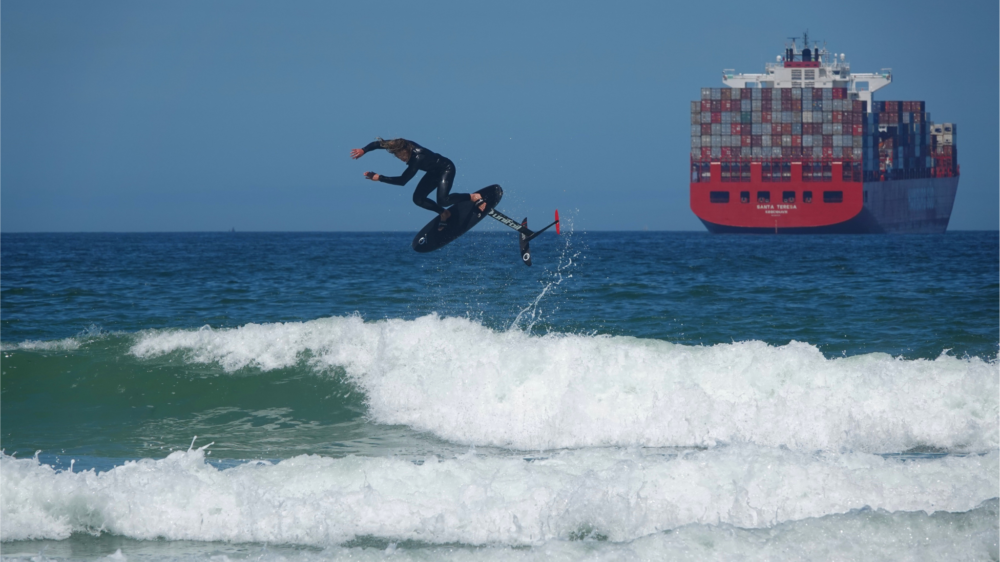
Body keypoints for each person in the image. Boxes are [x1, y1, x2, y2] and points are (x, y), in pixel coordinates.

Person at [350, 138, 485, 230]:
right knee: (418, 199)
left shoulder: (417, 158)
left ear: (406, 149)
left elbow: (403, 180)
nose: (402, 159)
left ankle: (473, 197)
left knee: (443, 200)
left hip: (446, 169)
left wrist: (380, 178)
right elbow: (378, 144)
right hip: (433, 172)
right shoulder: (398, 144)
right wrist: (363, 150)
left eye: (402, 155)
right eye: (398, 157)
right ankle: (444, 214)